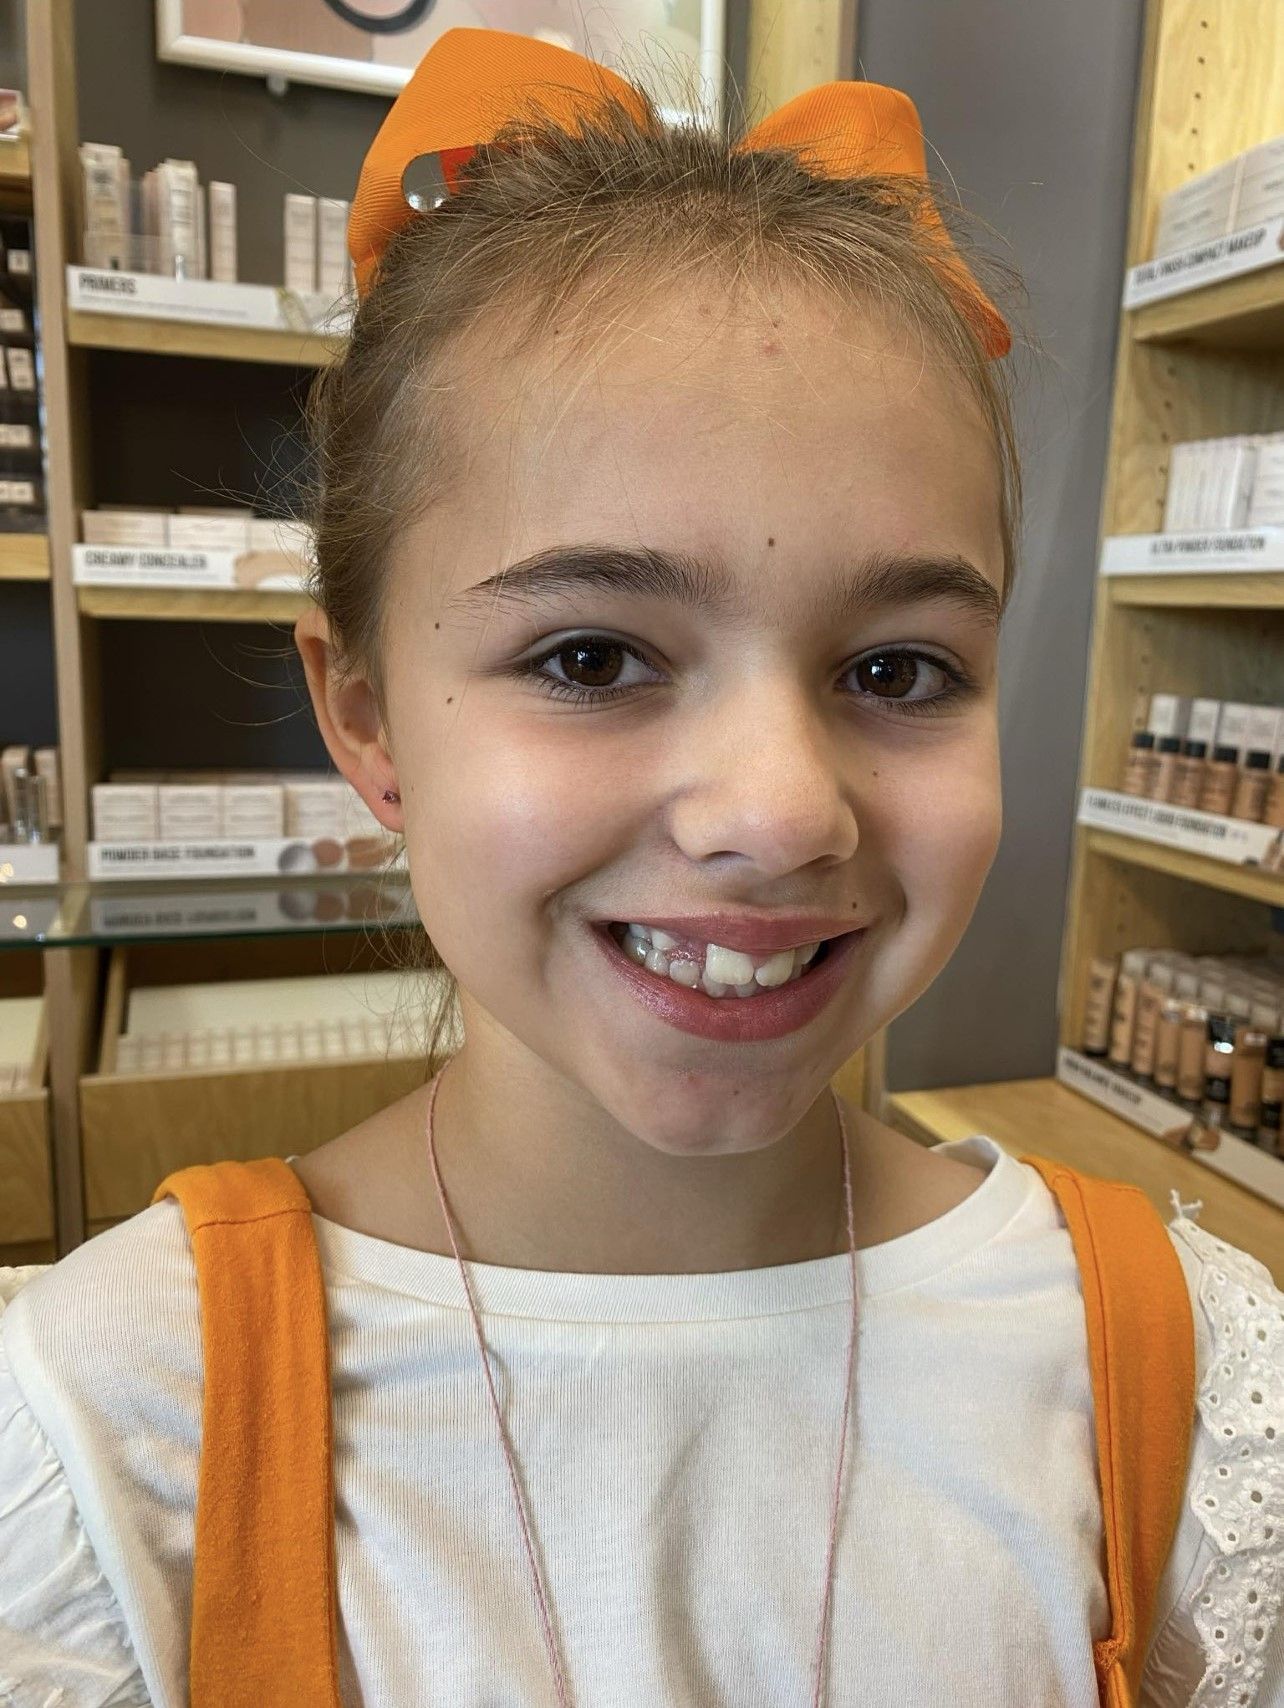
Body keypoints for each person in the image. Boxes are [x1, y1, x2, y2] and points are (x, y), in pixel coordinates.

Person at [2, 27, 1281, 1708]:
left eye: (896, 670)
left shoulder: (1184, 1377)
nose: (776, 812)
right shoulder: (103, 1439)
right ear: (370, 717)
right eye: (594, 657)